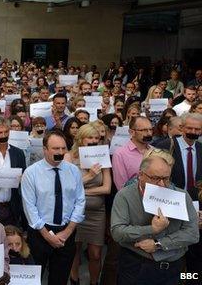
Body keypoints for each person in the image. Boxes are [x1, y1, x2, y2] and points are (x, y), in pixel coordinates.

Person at [111, 154, 199, 284]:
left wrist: (159, 244)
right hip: (136, 266)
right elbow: (117, 232)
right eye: (156, 178)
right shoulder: (125, 196)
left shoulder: (181, 196)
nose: (162, 184)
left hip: (174, 268)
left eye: (166, 179)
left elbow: (192, 234)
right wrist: (152, 229)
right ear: (140, 175)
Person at [21, 130, 85, 285]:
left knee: (60, 279)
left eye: (63, 148)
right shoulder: (31, 173)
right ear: (45, 150)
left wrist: (67, 231)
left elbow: (80, 201)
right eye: (56, 149)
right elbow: (30, 208)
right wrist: (47, 235)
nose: (61, 152)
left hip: (66, 233)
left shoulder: (73, 171)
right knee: (34, 279)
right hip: (39, 234)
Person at [63, 124, 111, 285]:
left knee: (96, 253)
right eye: (90, 137)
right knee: (74, 250)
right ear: (80, 139)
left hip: (97, 213)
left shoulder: (102, 156)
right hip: (74, 212)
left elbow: (107, 188)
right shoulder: (69, 157)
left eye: (97, 138)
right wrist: (90, 176)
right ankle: (74, 279)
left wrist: (81, 192)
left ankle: (94, 282)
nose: (93, 141)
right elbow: (67, 187)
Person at [154, 112, 202, 199]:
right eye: (189, 128)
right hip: (171, 199)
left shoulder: (200, 148)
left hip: (196, 202)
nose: (193, 132)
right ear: (181, 128)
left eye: (197, 129)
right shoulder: (166, 146)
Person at [112, 116, 154, 190]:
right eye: (144, 130)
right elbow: (121, 186)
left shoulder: (155, 151)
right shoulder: (120, 154)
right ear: (132, 132)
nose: (149, 133)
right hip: (133, 197)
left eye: (150, 129)